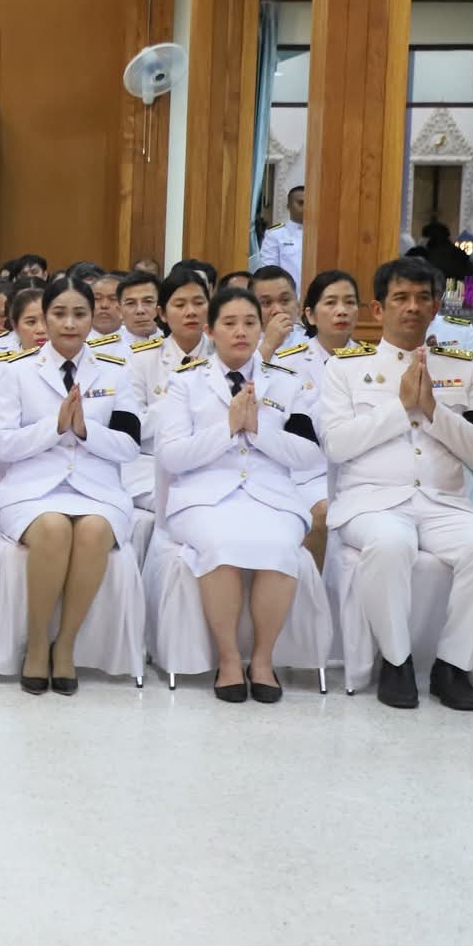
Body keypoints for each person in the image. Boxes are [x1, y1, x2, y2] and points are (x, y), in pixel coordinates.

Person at [318, 258, 473, 710]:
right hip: (372, 503)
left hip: (444, 503)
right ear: (378, 310)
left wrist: (434, 411)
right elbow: (337, 445)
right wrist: (401, 408)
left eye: (423, 298)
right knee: (389, 543)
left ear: (437, 306)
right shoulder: (345, 368)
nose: (413, 308)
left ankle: (452, 666)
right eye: (401, 298)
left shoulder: (464, 369)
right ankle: (396, 663)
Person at [157, 287, 321, 702]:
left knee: (281, 548)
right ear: (210, 330)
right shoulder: (184, 383)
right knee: (221, 544)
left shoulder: (289, 384)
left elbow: (306, 454)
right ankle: (229, 660)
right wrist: (227, 428)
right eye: (229, 323)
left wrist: (258, 431)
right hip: (203, 496)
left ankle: (262, 660)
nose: (241, 332)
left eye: (250, 322)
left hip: (272, 495)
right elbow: (172, 455)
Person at [0, 275, 141, 694]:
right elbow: (1, 443)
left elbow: (128, 446)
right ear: (44, 318)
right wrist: (55, 427)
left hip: (98, 489)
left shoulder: (117, 372)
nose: (70, 323)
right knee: (51, 528)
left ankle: (64, 644)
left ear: (93, 318)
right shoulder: (16, 373)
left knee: (93, 531)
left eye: (79, 314)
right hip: (30, 488)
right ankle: (36, 644)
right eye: (59, 314)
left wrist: (87, 430)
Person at [124, 267, 213, 511]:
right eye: (180, 304)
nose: (190, 312)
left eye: (198, 302)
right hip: (151, 464)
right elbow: (135, 427)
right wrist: (181, 400)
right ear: (162, 314)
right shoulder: (141, 359)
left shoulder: (223, 355)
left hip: (213, 461)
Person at [290, 269, 362, 565]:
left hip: (358, 472)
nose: (341, 310)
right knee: (321, 514)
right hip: (308, 473)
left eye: (350, 302)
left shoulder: (371, 362)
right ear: (309, 314)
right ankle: (315, 602)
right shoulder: (289, 363)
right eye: (330, 302)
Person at [250, 266, 309, 357]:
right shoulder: (242, 345)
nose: (277, 310)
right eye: (267, 303)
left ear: (298, 305)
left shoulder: (312, 341)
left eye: (285, 300)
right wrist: (268, 345)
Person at [262, 185, 306, 289]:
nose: (305, 207)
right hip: (287, 294)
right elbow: (270, 270)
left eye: (309, 203)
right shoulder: (275, 234)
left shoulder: (320, 234)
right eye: (300, 203)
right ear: (288, 206)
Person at [117, 269, 162, 342]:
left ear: (161, 308)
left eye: (148, 301)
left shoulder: (176, 345)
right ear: (119, 311)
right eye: (130, 303)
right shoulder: (102, 350)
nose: (140, 310)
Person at [8, 286, 46, 351]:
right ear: (15, 326)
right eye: (31, 322)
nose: (41, 330)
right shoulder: (2, 361)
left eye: (47, 321)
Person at [89, 271, 124, 337]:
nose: (104, 305)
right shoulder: (74, 340)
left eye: (113, 299)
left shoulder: (138, 342)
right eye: (97, 298)